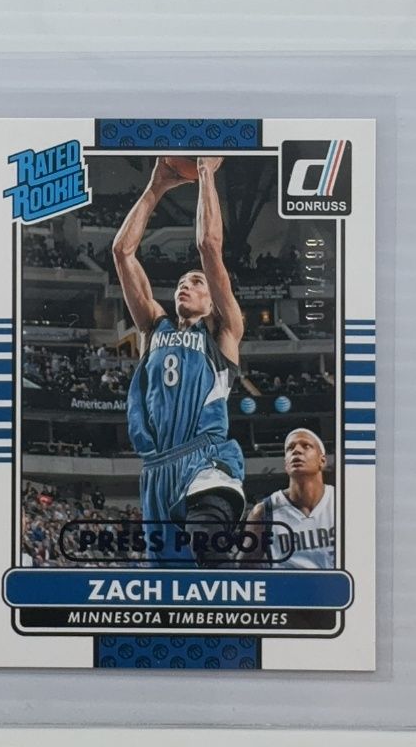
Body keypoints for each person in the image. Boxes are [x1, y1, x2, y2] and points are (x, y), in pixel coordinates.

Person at [112, 156, 245, 566]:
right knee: (170, 578)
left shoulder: (222, 333)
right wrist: (155, 188)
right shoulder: (155, 328)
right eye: (182, 282)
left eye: (197, 282)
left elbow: (209, 247)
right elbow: (122, 252)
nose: (186, 285)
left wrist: (205, 172)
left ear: (212, 301)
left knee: (209, 550)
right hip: (156, 471)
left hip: (204, 459)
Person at [238, 428, 334, 568]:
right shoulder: (264, 511)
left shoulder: (343, 501)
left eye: (306, 446)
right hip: (287, 582)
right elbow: (245, 567)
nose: (297, 451)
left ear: (322, 460)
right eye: (290, 448)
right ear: (286, 464)